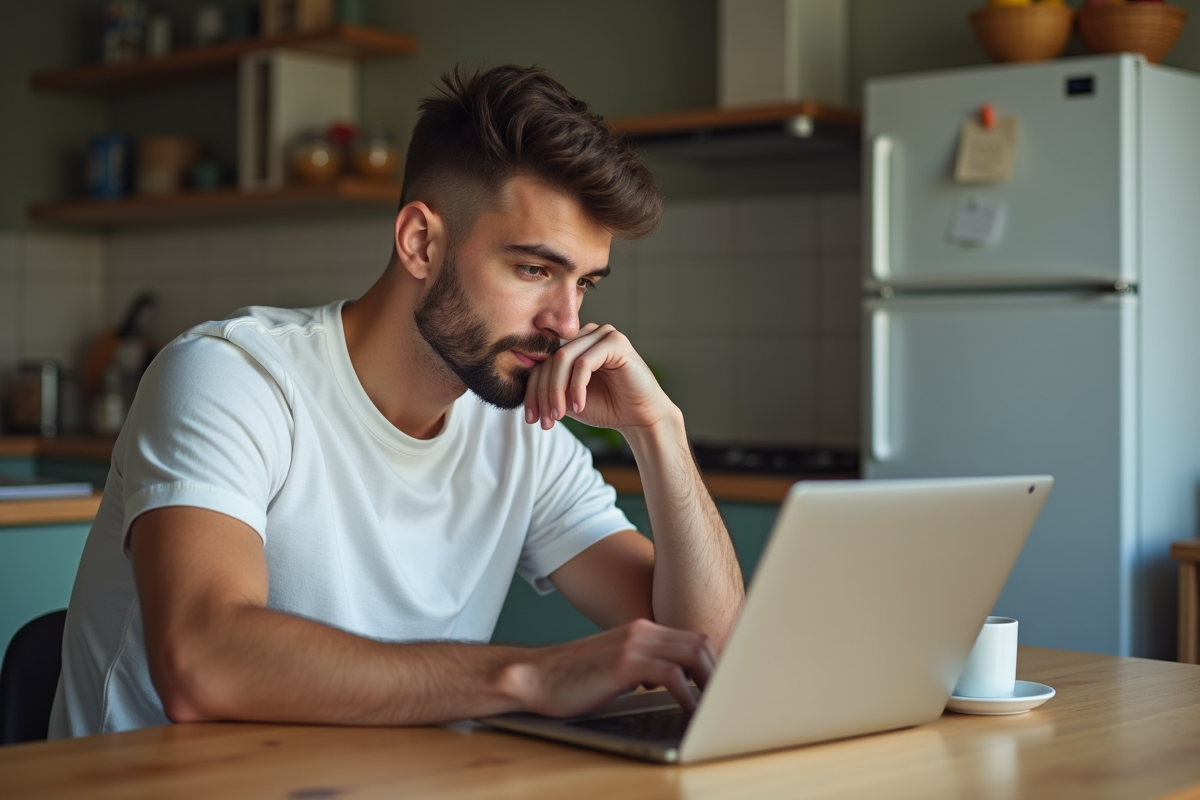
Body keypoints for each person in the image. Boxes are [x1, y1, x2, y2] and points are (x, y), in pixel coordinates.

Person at [49, 65, 745, 738]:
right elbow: (200, 663)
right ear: (420, 242)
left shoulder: (522, 432)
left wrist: (661, 432)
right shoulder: (232, 376)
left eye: (585, 283)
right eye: (534, 269)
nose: (566, 322)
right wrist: (525, 676)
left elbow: (705, 648)